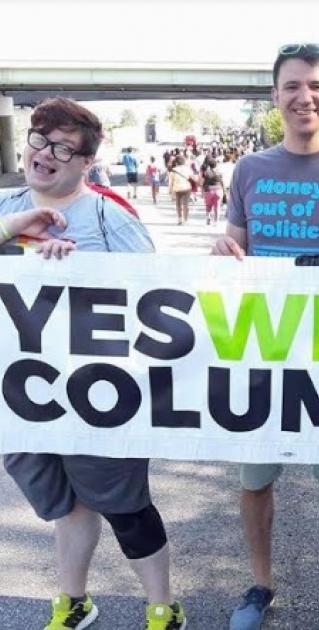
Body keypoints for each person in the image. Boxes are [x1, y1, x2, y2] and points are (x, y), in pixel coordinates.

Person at [213, 43, 319, 630]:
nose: (303, 96)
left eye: (314, 85)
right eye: (291, 86)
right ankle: (260, 585)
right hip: (263, 351)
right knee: (256, 480)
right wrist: (223, 251)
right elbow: (234, 243)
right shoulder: (249, 170)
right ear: (275, 96)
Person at [0, 97, 187, 630]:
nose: (45, 154)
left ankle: (162, 606)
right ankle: (75, 600)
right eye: (39, 139)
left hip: (98, 391)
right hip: (23, 395)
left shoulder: (108, 215)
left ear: (86, 163)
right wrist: (20, 230)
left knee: (124, 506)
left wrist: (84, 270)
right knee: (62, 504)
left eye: (63, 147)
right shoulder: (7, 205)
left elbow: (160, 294)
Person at [168, 155, 194, 225]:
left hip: (177, 188)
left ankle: (179, 219)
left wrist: (170, 190)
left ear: (176, 162)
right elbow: (192, 177)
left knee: (178, 204)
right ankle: (186, 219)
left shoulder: (174, 170)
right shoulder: (188, 169)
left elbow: (171, 182)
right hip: (187, 188)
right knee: (186, 204)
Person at [200, 157, 224, 225]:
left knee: (208, 205)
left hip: (208, 190)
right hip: (218, 190)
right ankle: (216, 221)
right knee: (217, 206)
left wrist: (202, 191)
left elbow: (202, 183)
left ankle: (208, 218)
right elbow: (222, 182)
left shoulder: (206, 173)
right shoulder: (219, 172)